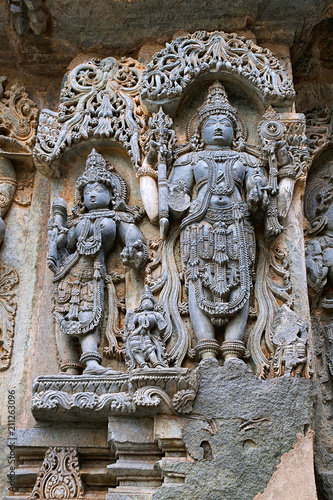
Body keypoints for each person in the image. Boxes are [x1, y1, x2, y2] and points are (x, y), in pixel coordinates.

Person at [142, 82, 270, 363]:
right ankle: (207, 348)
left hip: (238, 224)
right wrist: (169, 192)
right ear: (199, 131)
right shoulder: (189, 160)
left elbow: (257, 189)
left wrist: (258, 195)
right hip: (200, 228)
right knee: (198, 281)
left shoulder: (247, 160)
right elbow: (178, 195)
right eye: (212, 122)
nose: (219, 127)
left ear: (237, 131)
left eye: (225, 122)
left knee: (241, 282)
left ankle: (235, 347)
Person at [47, 148, 148, 374]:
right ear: (81, 197)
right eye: (88, 190)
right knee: (64, 314)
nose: (92, 194)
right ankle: (70, 366)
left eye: (99, 189)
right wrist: (57, 234)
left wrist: (135, 251)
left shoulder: (116, 218)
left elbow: (132, 237)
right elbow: (66, 243)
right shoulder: (78, 221)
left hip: (94, 274)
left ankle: (91, 362)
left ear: (112, 194)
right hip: (71, 272)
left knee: (88, 313)